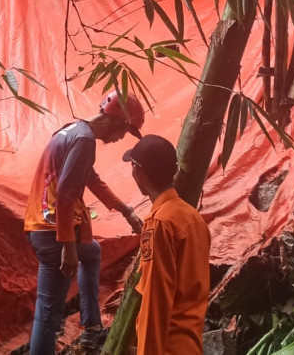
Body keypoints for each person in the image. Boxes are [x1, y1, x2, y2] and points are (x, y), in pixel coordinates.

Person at [24, 91, 146, 354]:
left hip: (42, 224)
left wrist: (126, 210)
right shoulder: (84, 140)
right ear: (116, 121)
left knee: (92, 252)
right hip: (53, 232)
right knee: (48, 313)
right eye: (124, 132)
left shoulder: (73, 130)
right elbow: (67, 193)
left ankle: (91, 327)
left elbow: (89, 177)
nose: (120, 139)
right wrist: (67, 245)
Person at [123, 134, 211, 355]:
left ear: (138, 172)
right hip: (191, 344)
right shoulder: (193, 217)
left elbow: (156, 301)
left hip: (167, 347)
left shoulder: (159, 224)